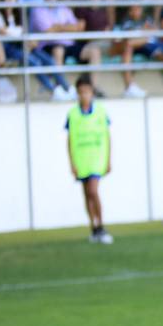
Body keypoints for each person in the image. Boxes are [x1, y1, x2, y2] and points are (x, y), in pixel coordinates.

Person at [65, 74, 112, 245]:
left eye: (87, 92)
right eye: (81, 92)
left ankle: (101, 226)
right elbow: (70, 140)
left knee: (93, 191)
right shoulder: (73, 114)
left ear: (92, 92)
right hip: (81, 160)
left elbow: (107, 136)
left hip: (97, 159)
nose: (84, 95)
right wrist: (72, 163)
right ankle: (93, 227)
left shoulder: (100, 112)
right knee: (86, 194)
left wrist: (108, 160)